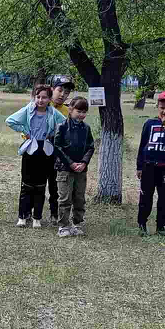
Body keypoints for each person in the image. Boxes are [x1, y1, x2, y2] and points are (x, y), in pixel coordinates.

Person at [5, 85, 66, 228]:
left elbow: (64, 124)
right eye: (38, 97)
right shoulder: (28, 109)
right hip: (30, 149)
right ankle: (22, 216)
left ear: (50, 99)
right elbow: (10, 120)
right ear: (34, 97)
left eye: (44, 97)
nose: (40, 100)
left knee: (40, 185)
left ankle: (37, 218)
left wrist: (53, 134)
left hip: (45, 150)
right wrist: (24, 131)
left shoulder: (53, 113)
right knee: (26, 184)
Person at [136, 91, 165, 236]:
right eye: (162, 107)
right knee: (145, 197)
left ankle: (161, 226)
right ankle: (142, 224)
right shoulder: (149, 123)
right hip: (148, 166)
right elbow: (142, 145)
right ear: (157, 106)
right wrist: (139, 166)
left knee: (163, 198)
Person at [53, 96, 94, 237]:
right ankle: (63, 226)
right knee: (65, 198)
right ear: (70, 109)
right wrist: (70, 163)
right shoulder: (62, 126)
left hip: (81, 170)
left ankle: (77, 224)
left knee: (79, 198)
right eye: (79, 111)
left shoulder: (86, 128)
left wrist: (83, 162)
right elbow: (57, 147)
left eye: (84, 112)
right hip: (65, 169)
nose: (81, 114)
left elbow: (90, 147)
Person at [47, 75, 76, 222]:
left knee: (55, 185)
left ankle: (54, 214)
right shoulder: (41, 105)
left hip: (58, 154)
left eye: (66, 92)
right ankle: (30, 213)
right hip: (39, 151)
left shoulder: (68, 111)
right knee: (36, 184)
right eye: (60, 90)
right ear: (52, 89)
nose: (62, 94)